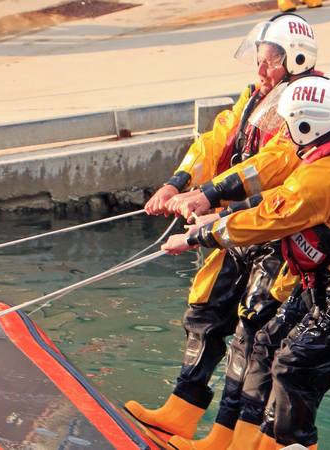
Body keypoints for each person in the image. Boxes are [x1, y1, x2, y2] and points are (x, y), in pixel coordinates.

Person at [162, 76, 330, 449]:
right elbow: (282, 200)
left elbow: (270, 217)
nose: (285, 132)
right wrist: (216, 214)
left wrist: (197, 236)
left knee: (295, 366)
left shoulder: (326, 173)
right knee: (279, 348)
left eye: (289, 124)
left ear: (306, 125)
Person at [123, 13, 318, 450]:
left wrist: (209, 196)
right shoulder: (254, 97)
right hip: (230, 227)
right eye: (260, 59)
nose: (260, 70)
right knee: (205, 312)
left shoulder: (305, 109)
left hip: (269, 232)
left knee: (252, 335)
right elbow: (214, 142)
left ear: (295, 61)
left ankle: (229, 436)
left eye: (269, 61)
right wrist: (178, 182)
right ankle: (182, 411)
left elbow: (270, 166)